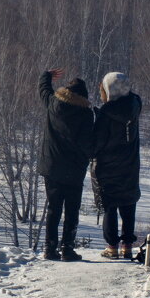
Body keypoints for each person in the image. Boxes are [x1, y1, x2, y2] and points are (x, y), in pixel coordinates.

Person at [38, 67, 95, 261]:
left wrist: (46, 75)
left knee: (53, 209)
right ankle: (68, 249)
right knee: (72, 210)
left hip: (52, 168)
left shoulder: (53, 104)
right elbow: (89, 144)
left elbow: (43, 90)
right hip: (74, 170)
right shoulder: (86, 115)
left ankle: (49, 248)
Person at [93, 71, 142, 259]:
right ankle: (127, 246)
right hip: (130, 165)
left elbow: (97, 143)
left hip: (108, 166)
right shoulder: (134, 107)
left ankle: (112, 246)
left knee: (110, 205)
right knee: (128, 203)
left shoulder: (106, 114)